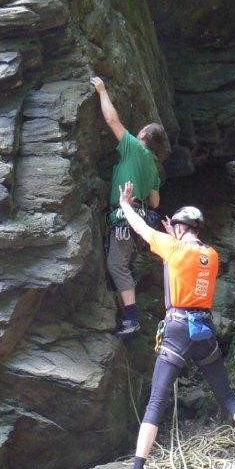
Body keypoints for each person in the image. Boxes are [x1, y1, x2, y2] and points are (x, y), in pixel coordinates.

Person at [115, 181, 235, 469]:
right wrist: (172, 233)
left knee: (156, 402)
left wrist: (125, 205)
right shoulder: (211, 256)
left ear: (178, 227)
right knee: (227, 396)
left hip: (176, 330)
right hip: (203, 330)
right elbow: (188, 261)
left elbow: (139, 227)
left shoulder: (171, 248)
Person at [90, 76, 168, 340]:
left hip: (124, 218)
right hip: (138, 223)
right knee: (123, 263)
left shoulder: (134, 148)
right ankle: (129, 310)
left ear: (143, 135)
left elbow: (112, 121)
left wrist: (102, 90)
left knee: (117, 266)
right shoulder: (154, 167)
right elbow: (155, 202)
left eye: (140, 131)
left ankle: (131, 320)